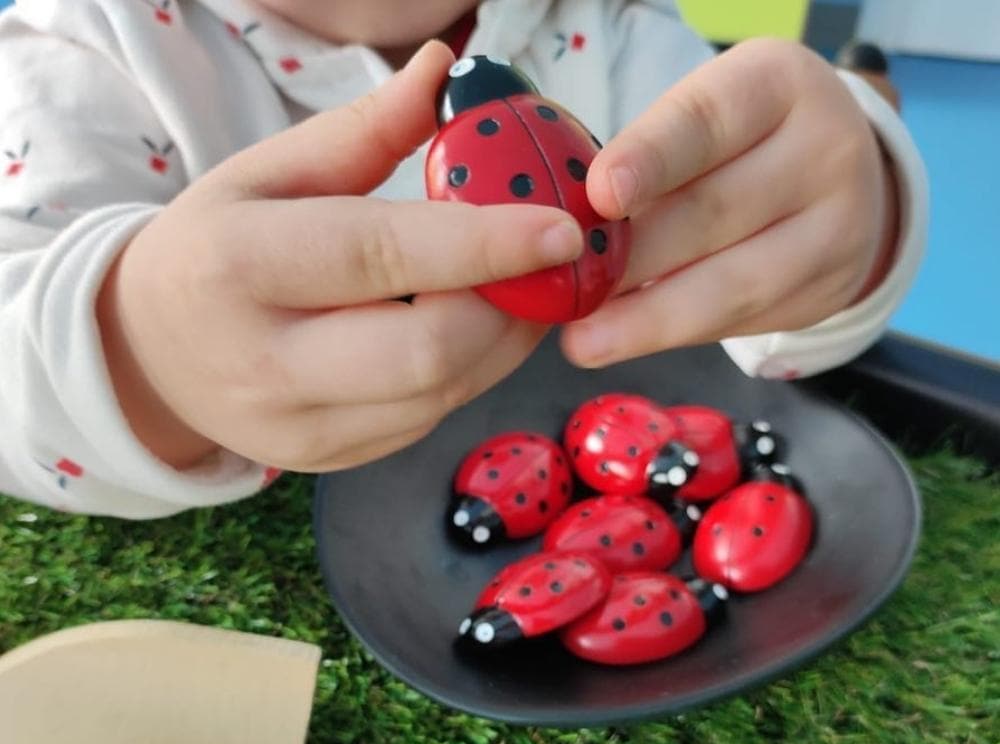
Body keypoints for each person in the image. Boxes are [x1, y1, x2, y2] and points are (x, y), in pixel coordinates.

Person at [0, 0, 927, 518]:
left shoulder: (612, 29)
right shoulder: (80, 53)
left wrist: (864, 205)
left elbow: (771, 291)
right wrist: (139, 349)